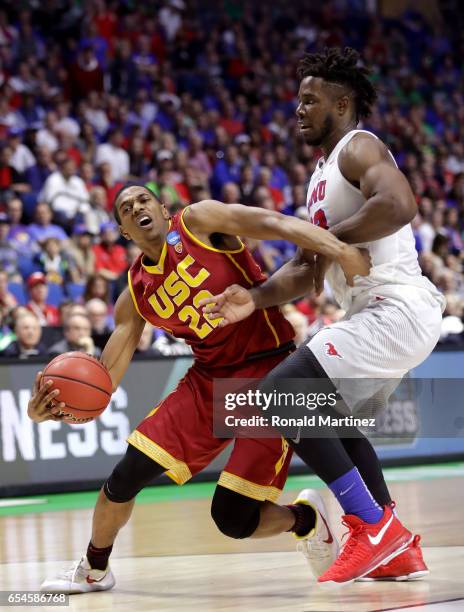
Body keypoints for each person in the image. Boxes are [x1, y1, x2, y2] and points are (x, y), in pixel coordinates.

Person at [28, 182, 368, 594]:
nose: (137, 208)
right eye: (125, 208)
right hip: (208, 381)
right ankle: (94, 568)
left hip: (270, 375)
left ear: (162, 207)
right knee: (127, 473)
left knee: (233, 518)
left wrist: (338, 250)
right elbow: (102, 382)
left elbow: (273, 222)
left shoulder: (198, 222)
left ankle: (304, 520)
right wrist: (51, 409)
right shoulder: (136, 291)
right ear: (123, 232)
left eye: (143, 199)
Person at [201, 47, 445, 586]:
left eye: (310, 100)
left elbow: (400, 204)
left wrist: (333, 242)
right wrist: (255, 296)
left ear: (342, 101)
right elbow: (307, 268)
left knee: (281, 393)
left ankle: (370, 524)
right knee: (326, 416)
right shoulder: (320, 174)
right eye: (298, 101)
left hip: (397, 305)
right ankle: (395, 543)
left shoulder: (361, 147)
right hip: (375, 311)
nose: (299, 110)